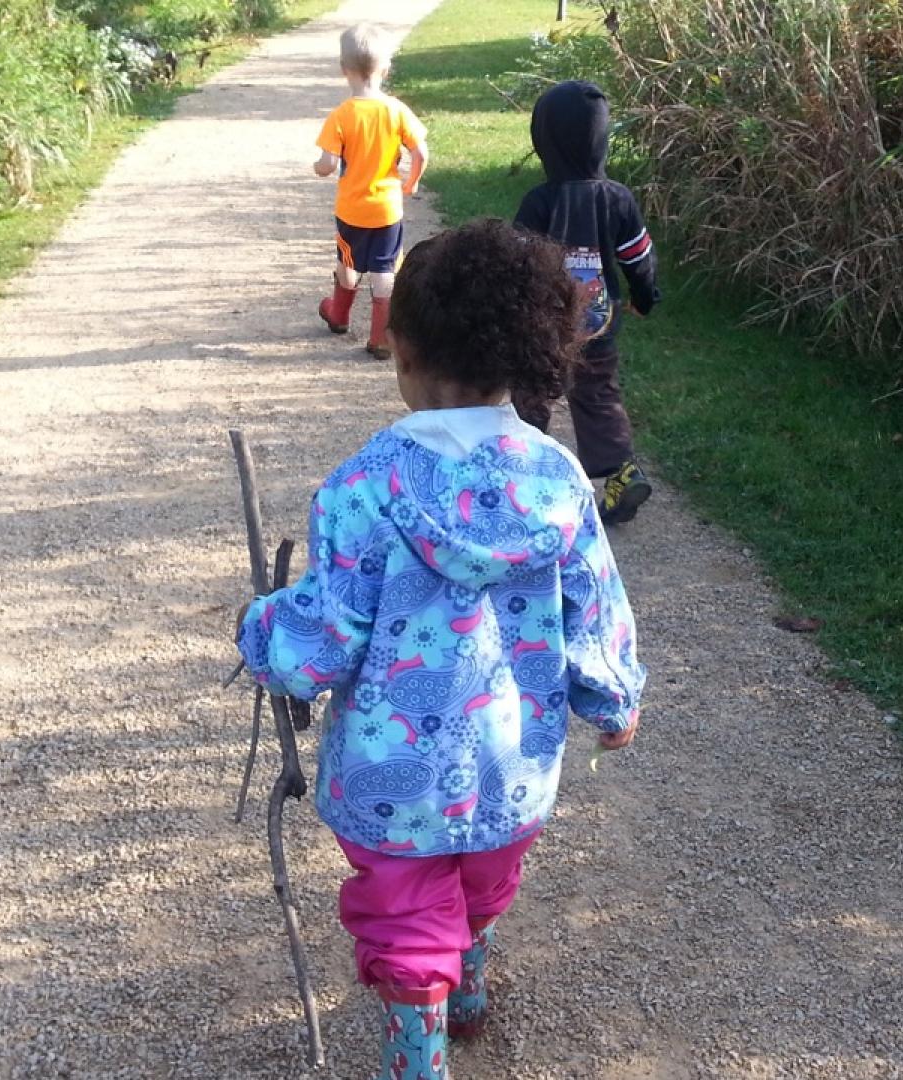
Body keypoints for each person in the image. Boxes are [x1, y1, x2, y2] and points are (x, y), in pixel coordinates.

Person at [237, 219, 645, 1080]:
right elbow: (595, 603)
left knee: (407, 917)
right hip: (511, 760)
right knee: (486, 878)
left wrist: (261, 629)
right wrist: (612, 696)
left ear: (408, 355)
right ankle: (469, 977)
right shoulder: (555, 478)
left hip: (394, 778)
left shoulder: (363, 486)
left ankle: (418, 1051)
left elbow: (321, 641)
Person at [513, 79, 662, 525]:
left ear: (545, 140)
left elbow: (518, 262)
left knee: (533, 391)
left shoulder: (540, 201)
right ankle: (621, 473)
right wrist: (645, 297)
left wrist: (511, 311)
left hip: (545, 323)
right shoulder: (618, 198)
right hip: (599, 319)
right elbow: (638, 258)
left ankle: (524, 478)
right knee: (597, 394)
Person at [313, 22, 429, 360]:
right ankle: (380, 338)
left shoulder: (341, 116)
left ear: (343, 70)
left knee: (347, 261)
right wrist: (412, 181)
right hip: (387, 209)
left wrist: (319, 168)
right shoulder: (396, 110)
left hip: (352, 209)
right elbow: (420, 152)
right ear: (386, 68)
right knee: (385, 268)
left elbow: (328, 163)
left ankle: (338, 315)